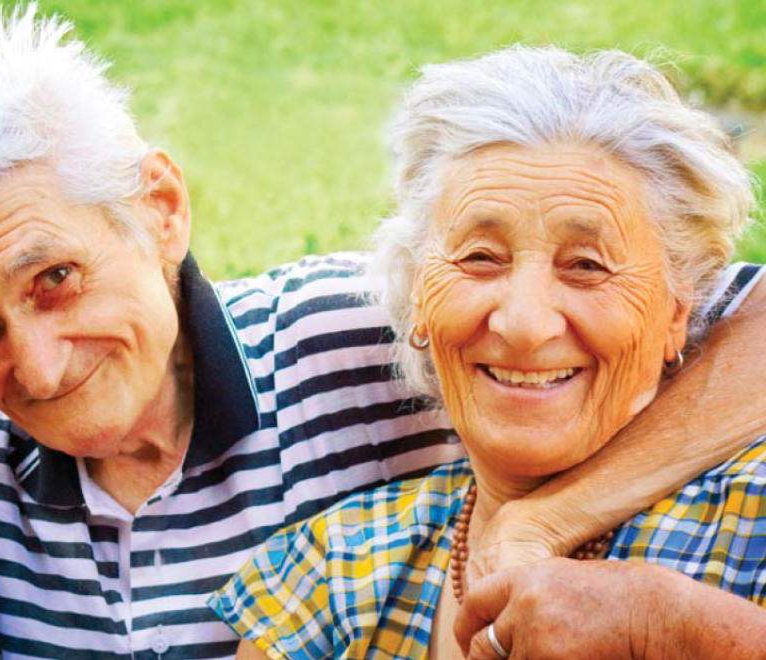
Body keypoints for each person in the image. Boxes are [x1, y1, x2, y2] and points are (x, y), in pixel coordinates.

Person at [0, 8, 766, 660]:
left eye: (57, 279)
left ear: (160, 209)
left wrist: (581, 549)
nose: (37, 368)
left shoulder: (354, 324)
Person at [210, 46, 766, 660]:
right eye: (480, 258)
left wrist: (665, 628)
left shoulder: (752, 523)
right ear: (419, 295)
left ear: (676, 313)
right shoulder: (330, 573)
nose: (525, 324)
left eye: (587, 266)